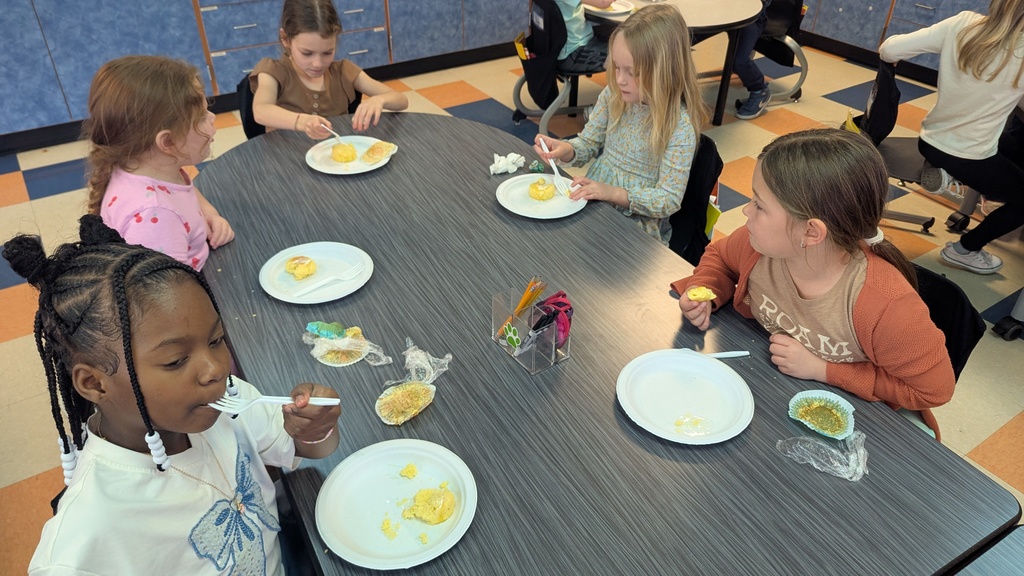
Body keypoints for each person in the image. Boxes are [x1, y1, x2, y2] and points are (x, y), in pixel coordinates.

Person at [5, 216, 341, 575]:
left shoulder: (227, 403)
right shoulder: (89, 534)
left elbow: (309, 448)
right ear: (95, 384)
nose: (214, 369)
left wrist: (313, 427)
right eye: (176, 360)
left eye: (216, 340)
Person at [673, 129, 955, 436]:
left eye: (759, 205)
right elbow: (720, 258)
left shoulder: (887, 307)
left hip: (852, 422)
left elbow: (933, 391)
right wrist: (706, 291)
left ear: (811, 232)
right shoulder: (758, 247)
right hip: (770, 392)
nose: (745, 210)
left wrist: (825, 370)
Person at [534, 4, 709, 245]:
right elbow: (588, 144)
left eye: (631, 72)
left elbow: (668, 199)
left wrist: (614, 193)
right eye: (617, 67)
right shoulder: (613, 95)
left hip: (636, 231)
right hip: (594, 206)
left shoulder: (679, 127)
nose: (619, 79)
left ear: (664, 71)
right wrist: (567, 150)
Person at [879, 0, 1024, 275]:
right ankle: (965, 249)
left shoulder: (962, 23)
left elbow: (889, 50)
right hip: (969, 155)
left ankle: (955, 175)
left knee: (1015, 147)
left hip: (931, 141)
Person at [85, 56, 234, 272]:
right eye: (202, 117)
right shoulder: (155, 216)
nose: (212, 118)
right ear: (167, 142)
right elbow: (170, 288)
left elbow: (182, 191)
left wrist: (209, 214)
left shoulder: (152, 166)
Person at [251, 0, 409, 140]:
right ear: (285, 38)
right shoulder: (273, 72)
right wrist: (302, 121)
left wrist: (379, 100)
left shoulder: (344, 71)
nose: (318, 64)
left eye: (327, 53)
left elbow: (401, 100)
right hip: (285, 158)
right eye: (307, 53)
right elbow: (261, 110)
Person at [693, 0, 773, 120]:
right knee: (679, 37)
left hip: (750, 15)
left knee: (739, 61)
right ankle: (673, 89)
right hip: (720, 11)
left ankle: (759, 90)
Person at [554, 0, 614, 74]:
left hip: (559, 48)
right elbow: (603, 2)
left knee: (613, 33)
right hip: (572, 53)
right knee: (625, 54)